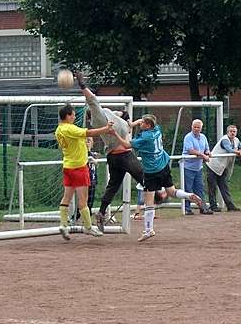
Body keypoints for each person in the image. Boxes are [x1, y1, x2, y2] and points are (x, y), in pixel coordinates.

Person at [111, 114, 204, 242]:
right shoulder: (157, 129)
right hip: (164, 165)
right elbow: (144, 122)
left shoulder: (145, 139)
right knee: (171, 191)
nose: (141, 124)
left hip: (152, 171)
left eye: (143, 123)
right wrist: (133, 124)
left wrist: (115, 134)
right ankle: (189, 195)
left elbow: (126, 145)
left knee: (148, 201)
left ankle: (148, 230)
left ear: (148, 125)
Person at [75, 71, 144, 232]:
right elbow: (91, 99)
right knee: (143, 176)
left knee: (113, 186)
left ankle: (101, 212)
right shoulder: (98, 117)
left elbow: (123, 114)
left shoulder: (108, 112)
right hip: (122, 154)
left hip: (114, 156)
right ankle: (159, 196)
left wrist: (127, 120)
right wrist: (82, 84)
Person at [55, 104, 113, 240]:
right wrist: (106, 128)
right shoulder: (70, 128)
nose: (75, 117)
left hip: (67, 166)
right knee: (83, 200)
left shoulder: (59, 130)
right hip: (79, 167)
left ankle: (63, 225)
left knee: (66, 197)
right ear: (68, 116)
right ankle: (88, 227)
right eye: (73, 114)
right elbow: (89, 133)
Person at [207, 124, 241, 212]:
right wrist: (239, 152)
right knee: (212, 187)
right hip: (213, 165)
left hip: (223, 167)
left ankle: (230, 206)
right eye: (231, 131)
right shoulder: (224, 139)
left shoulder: (236, 140)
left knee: (224, 186)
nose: (232, 133)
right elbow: (229, 149)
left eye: (234, 131)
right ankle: (213, 206)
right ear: (227, 132)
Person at [182, 119, 214, 215]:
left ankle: (202, 207)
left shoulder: (203, 137)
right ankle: (187, 208)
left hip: (198, 167)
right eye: (194, 127)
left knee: (200, 188)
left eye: (198, 127)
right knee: (187, 189)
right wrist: (203, 155)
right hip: (188, 166)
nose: (196, 129)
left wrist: (208, 152)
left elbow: (207, 148)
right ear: (191, 127)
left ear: (201, 128)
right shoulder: (188, 137)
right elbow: (190, 150)